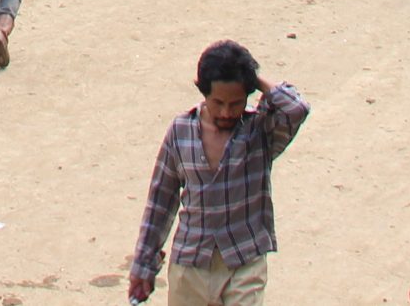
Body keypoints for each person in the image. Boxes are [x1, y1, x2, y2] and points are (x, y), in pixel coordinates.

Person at [127, 41, 309, 303]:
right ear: (203, 92)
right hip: (190, 264)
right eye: (218, 102)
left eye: (236, 103)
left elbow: (296, 108)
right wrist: (143, 266)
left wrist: (249, 75)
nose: (226, 112)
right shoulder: (180, 131)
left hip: (244, 264)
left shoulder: (260, 131)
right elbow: (160, 202)